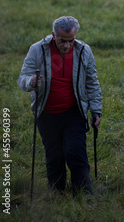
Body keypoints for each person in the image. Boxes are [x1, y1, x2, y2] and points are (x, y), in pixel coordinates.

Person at [18, 15, 102, 196]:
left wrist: (96, 111)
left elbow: (92, 82)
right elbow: (22, 78)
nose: (67, 45)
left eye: (71, 40)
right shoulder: (37, 49)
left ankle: (83, 194)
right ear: (53, 35)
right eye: (63, 41)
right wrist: (31, 81)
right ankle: (57, 193)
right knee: (54, 155)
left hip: (74, 112)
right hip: (46, 113)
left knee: (76, 151)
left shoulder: (84, 50)